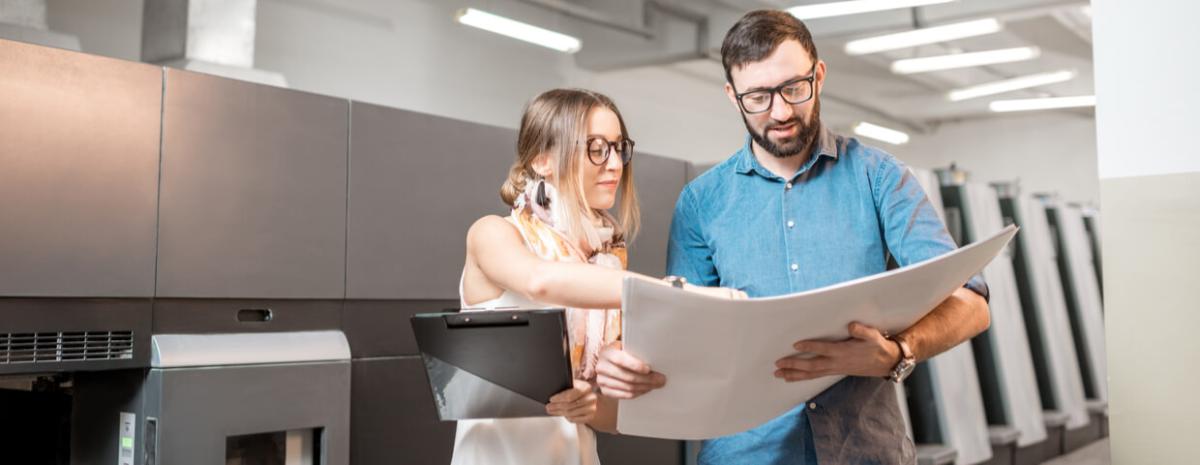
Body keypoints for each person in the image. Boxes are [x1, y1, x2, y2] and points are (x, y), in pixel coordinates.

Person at [594, 10, 992, 465]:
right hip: (742, 453)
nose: (780, 112)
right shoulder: (702, 202)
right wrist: (623, 361)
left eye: (793, 89)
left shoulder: (879, 177)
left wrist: (898, 352)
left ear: (818, 75)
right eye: (758, 97)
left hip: (864, 450)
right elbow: (683, 337)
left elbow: (972, 303)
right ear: (732, 96)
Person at [454, 88, 743, 465]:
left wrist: (591, 404)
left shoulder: (605, 265)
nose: (614, 164)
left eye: (618, 147)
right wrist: (676, 294)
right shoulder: (494, 234)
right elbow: (539, 281)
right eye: (595, 148)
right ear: (543, 159)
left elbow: (613, 419)